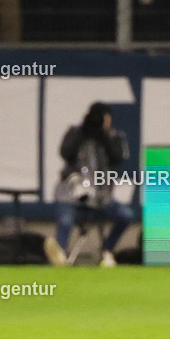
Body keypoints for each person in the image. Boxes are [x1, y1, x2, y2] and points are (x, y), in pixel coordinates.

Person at [46, 102, 134, 268]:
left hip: (100, 198)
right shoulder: (76, 133)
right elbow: (65, 153)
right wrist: (83, 132)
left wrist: (104, 136)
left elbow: (118, 158)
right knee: (65, 220)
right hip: (73, 195)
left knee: (125, 215)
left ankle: (107, 250)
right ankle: (60, 256)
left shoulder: (115, 137)